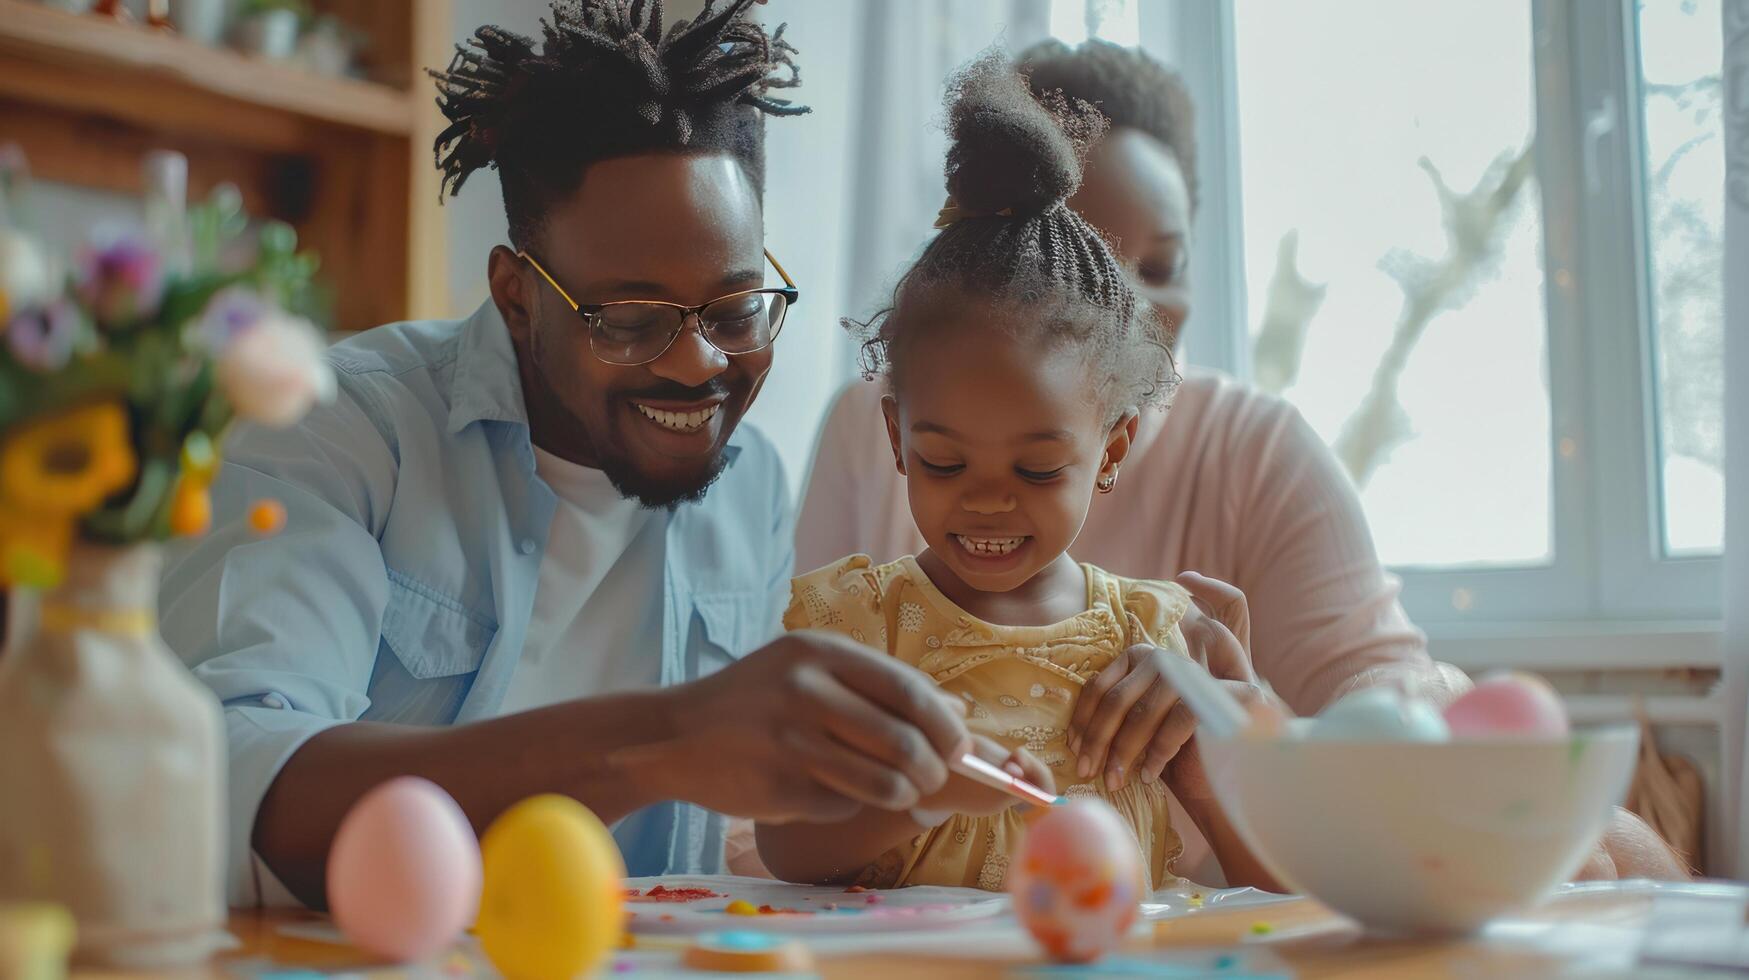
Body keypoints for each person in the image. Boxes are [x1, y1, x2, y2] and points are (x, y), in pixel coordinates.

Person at [157, 0, 989, 909]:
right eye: (629, 320)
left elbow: (734, 856)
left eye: (735, 309)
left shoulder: (749, 486)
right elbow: (222, 787)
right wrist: (662, 740)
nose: (696, 363)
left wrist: (893, 790)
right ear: (517, 297)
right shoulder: (339, 427)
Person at [794, 38, 1686, 883]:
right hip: (918, 904)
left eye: (1165, 263)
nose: (1133, 312)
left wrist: (1243, 716)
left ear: (1110, 453)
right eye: (1090, 266)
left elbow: (1393, 693)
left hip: (1199, 899)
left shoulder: (1250, 454)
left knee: (1617, 846)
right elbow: (788, 820)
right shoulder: (868, 490)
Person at [756, 55, 1277, 893]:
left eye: (1037, 469)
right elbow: (786, 848)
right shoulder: (859, 624)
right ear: (894, 437)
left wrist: (1219, 762)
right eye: (943, 460)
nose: (988, 498)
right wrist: (917, 798)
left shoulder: (1150, 639)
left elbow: (1281, 897)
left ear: (1109, 450)